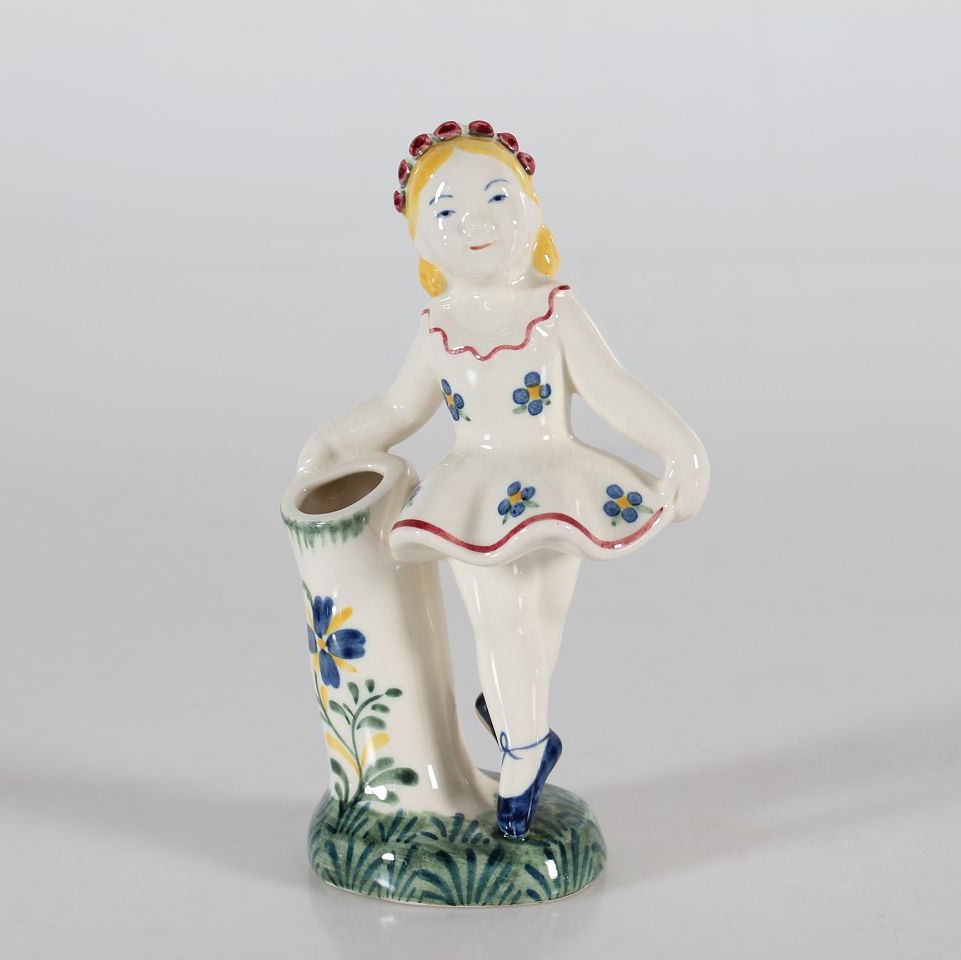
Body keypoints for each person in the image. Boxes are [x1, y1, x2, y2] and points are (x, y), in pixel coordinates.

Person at [295, 120, 708, 837]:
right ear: (421, 240)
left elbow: (611, 387)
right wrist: (333, 438)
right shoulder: (438, 324)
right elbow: (398, 407)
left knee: (541, 622)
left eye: (495, 198)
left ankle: (522, 726)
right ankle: (521, 751)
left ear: (532, 211)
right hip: (477, 495)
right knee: (501, 622)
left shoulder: (554, 310)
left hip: (556, 480)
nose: (474, 224)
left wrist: (681, 448)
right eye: (446, 211)